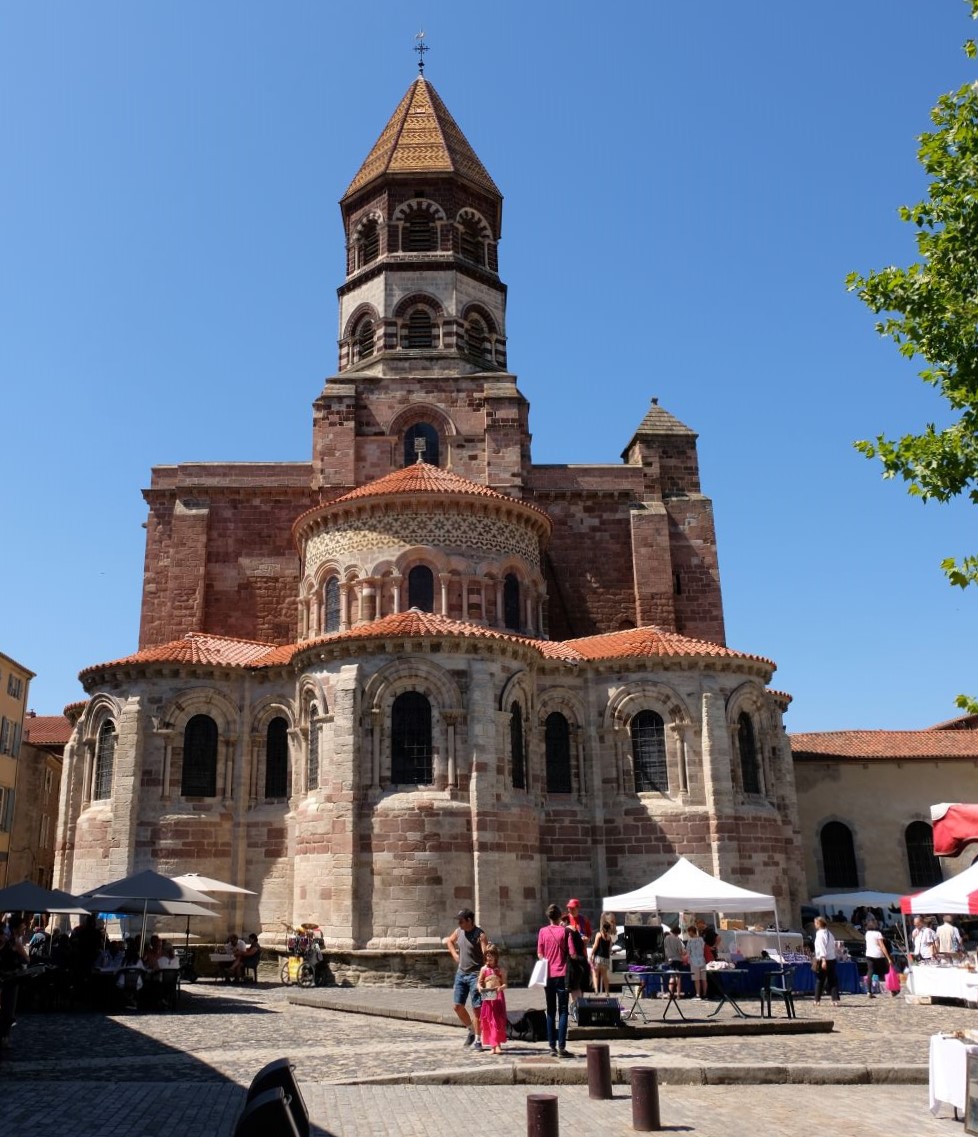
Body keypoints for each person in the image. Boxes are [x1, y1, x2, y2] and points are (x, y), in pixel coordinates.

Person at [538, 903, 580, 1059]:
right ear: (560, 916)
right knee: (563, 1011)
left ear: (548, 916)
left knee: (550, 1010)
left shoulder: (542, 931)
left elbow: (540, 954)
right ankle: (562, 1047)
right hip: (562, 975)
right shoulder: (565, 932)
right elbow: (573, 954)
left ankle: (552, 1046)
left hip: (548, 975)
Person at [444, 908, 488, 1052]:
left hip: (476, 975)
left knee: (477, 1008)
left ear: (469, 920)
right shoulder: (458, 932)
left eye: (461, 921)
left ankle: (478, 1040)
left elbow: (486, 956)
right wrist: (454, 955)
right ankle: (471, 1030)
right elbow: (449, 941)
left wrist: (485, 976)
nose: (459, 923)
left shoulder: (480, 935)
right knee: (457, 1006)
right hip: (461, 974)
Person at [476, 943, 508, 1055]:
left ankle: (497, 1044)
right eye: (487, 955)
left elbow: (505, 984)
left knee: (497, 1020)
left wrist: (500, 988)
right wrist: (480, 988)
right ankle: (492, 1045)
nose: (489, 958)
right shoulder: (484, 969)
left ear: (496, 956)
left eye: (491, 955)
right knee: (490, 1019)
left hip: (498, 996)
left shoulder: (500, 970)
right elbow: (479, 983)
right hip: (488, 996)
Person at [862, 917, 893, 998]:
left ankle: (869, 991)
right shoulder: (878, 934)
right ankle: (892, 989)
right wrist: (888, 957)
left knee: (870, 972)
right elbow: (882, 946)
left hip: (869, 954)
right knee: (886, 972)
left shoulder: (867, 934)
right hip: (878, 955)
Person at [813, 916, 839, 1006]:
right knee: (832, 980)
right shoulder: (829, 933)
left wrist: (823, 959)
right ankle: (834, 999)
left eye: (815, 923)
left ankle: (817, 1000)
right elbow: (833, 946)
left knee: (820, 980)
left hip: (823, 959)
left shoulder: (820, 934)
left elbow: (821, 947)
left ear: (818, 924)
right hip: (831, 958)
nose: (814, 925)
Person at [590, 918, 615, 994]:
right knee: (605, 976)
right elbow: (610, 949)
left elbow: (595, 946)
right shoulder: (609, 937)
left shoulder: (599, 934)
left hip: (598, 957)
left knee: (595, 974)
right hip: (606, 959)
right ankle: (607, 992)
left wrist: (591, 954)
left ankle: (596, 990)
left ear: (602, 927)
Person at [662, 923, 687, 998]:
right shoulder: (677, 939)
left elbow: (664, 949)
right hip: (677, 960)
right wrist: (685, 952)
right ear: (677, 933)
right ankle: (678, 994)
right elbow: (680, 951)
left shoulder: (666, 939)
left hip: (670, 959)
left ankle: (670, 993)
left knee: (671, 976)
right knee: (678, 977)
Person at [685, 924, 707, 999]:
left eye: (688, 932)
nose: (688, 934)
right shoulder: (701, 939)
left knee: (696, 979)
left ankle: (698, 994)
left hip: (694, 961)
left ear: (691, 931)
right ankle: (705, 994)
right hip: (702, 960)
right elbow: (703, 948)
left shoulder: (690, 941)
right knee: (704, 979)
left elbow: (688, 952)